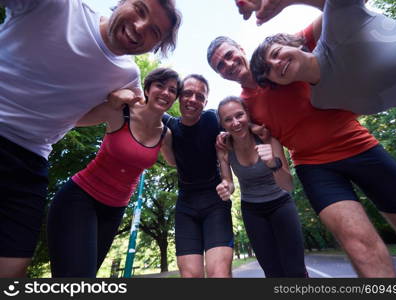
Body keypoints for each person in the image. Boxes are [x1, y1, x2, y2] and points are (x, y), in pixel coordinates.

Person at [207, 28, 396, 277]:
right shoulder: (244, 106)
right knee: (360, 246)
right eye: (220, 65)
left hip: (358, 145)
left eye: (229, 55)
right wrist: (225, 141)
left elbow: (336, 15)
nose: (228, 64)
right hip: (315, 167)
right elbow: (242, 128)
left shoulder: (278, 52)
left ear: (241, 48)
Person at [0, 0, 181, 277]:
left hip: (31, 160)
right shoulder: (57, 7)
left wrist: (110, 103)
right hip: (79, 195)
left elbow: (77, 119)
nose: (140, 27)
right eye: (140, 9)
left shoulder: (127, 75)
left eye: (155, 31)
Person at [47, 67, 180, 277]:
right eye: (160, 86)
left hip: (114, 210)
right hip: (80, 199)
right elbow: (75, 118)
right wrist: (109, 96)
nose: (165, 92)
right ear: (147, 88)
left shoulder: (165, 134)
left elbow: (175, 162)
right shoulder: (121, 111)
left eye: (172, 90)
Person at [241, 0, 396, 114]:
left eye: (275, 53)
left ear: (292, 44)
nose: (276, 63)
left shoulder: (337, 27)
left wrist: (285, 1)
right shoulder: (321, 101)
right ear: (276, 83)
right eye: (268, 70)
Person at [216, 96, 308, 278]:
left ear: (247, 114)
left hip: (281, 204)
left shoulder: (266, 137)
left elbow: (288, 184)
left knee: (295, 270)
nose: (235, 123)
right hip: (252, 211)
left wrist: (273, 163)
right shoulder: (224, 147)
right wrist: (225, 188)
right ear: (222, 124)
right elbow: (229, 182)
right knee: (272, 272)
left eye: (239, 115)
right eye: (228, 119)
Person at [161, 74, 234, 278]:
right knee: (191, 277)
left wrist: (226, 137)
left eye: (200, 96)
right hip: (186, 205)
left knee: (219, 273)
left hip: (215, 202)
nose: (193, 99)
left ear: (206, 102)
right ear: (178, 97)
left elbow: (239, 124)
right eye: (187, 93)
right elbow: (143, 103)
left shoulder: (212, 119)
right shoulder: (170, 126)